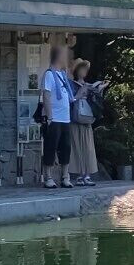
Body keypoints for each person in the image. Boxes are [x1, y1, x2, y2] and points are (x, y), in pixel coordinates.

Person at [37, 47, 75, 188]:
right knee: (50, 148)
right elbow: (46, 95)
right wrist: (50, 116)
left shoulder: (63, 75)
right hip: (54, 118)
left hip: (65, 119)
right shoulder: (49, 74)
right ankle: (48, 177)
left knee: (65, 148)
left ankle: (65, 177)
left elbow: (69, 97)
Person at [68, 56, 100, 185]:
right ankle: (79, 175)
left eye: (85, 70)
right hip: (75, 118)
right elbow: (71, 99)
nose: (84, 72)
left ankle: (87, 174)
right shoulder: (71, 84)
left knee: (88, 147)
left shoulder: (88, 84)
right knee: (77, 147)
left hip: (87, 120)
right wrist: (80, 93)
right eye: (82, 69)